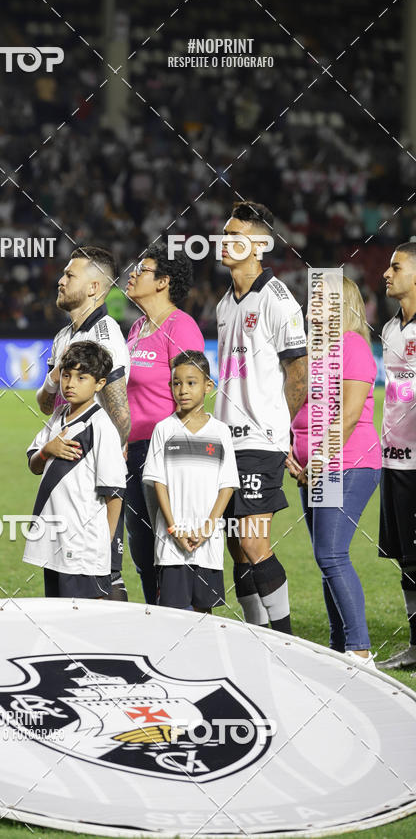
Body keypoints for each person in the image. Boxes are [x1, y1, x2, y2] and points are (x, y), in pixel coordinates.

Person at [213, 201, 308, 634]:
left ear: (259, 246)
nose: (225, 241)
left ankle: (284, 639)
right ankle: (255, 633)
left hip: (258, 442)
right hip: (224, 443)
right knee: (234, 545)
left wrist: (278, 430)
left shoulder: (278, 298)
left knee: (254, 541)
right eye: (225, 233)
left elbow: (299, 374)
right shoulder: (223, 304)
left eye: (236, 235)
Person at [287, 277, 381, 666]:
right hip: (314, 468)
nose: (312, 308)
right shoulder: (316, 351)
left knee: (331, 553)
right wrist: (292, 455)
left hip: (347, 464)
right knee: (326, 556)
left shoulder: (353, 346)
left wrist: (317, 462)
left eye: (322, 302)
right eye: (312, 301)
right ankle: (338, 644)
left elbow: (349, 415)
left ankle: (358, 650)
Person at [36, 246, 130, 600]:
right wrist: (53, 376)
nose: (60, 281)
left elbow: (121, 416)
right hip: (65, 466)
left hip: (93, 474)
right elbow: (46, 405)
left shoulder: (106, 336)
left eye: (69, 275)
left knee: (103, 568)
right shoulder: (63, 337)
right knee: (65, 566)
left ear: (94, 287)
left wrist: (102, 467)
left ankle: (112, 648)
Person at [125, 242, 204, 605]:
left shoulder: (181, 326)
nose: (132, 273)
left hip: (165, 454)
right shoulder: (137, 327)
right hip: (131, 452)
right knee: (142, 551)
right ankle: (158, 625)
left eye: (142, 268)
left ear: (163, 282)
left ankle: (183, 626)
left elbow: (193, 392)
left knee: (169, 552)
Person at [26, 341, 126, 599]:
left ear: (100, 384)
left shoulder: (101, 426)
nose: (70, 383)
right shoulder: (57, 416)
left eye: (82, 377)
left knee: (84, 623)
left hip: (84, 547)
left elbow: (114, 493)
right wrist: (48, 450)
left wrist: (104, 544)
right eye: (67, 375)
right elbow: (33, 464)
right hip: (54, 541)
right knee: (58, 619)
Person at [143, 351, 239, 613]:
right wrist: (173, 530)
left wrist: (208, 528)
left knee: (203, 614)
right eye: (176, 383)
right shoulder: (164, 429)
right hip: (172, 544)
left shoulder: (220, 432)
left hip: (208, 542)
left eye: (191, 382)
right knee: (174, 615)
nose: (182, 389)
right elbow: (157, 483)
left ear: (209, 386)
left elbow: (227, 485)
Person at [377, 243, 416, 669]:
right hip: (395, 461)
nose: (386, 273)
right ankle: (415, 645)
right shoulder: (390, 329)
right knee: (407, 561)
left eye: (396, 266)